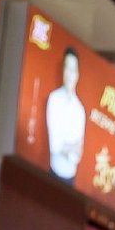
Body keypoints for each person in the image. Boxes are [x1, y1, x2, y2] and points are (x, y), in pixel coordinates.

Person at [44, 47, 85, 181]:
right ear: (63, 70)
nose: (69, 74)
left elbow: (78, 154)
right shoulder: (54, 99)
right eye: (67, 68)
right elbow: (54, 145)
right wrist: (69, 148)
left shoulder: (80, 110)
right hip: (54, 172)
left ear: (77, 75)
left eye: (73, 70)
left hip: (70, 178)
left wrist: (66, 147)